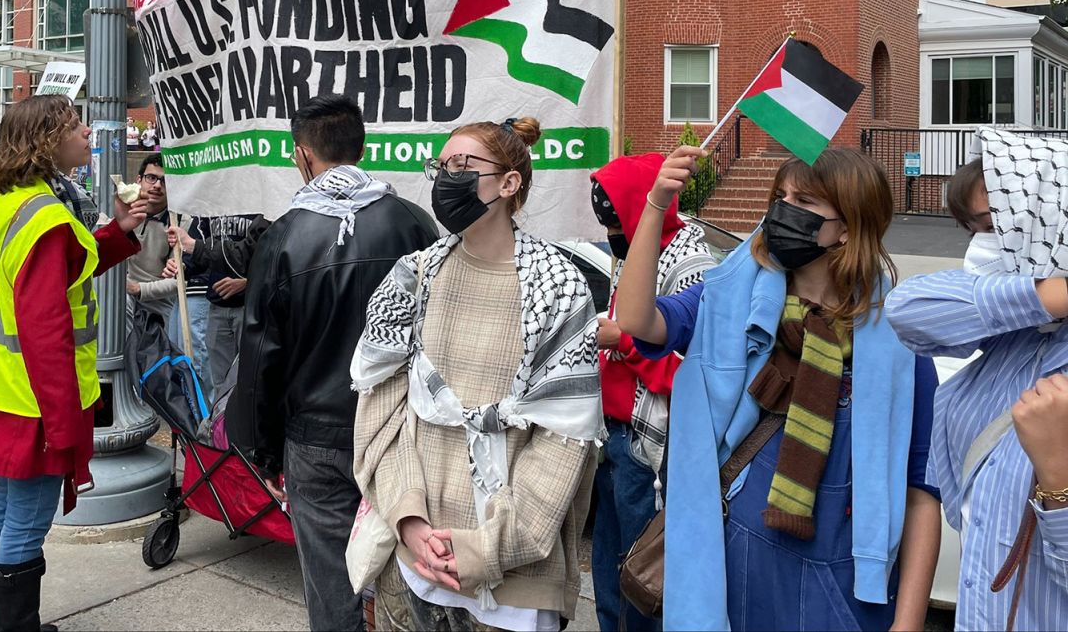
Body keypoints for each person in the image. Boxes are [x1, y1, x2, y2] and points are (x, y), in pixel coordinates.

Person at [613, 145, 941, 631]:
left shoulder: (900, 340)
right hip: (732, 566)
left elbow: (921, 492)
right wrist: (657, 205)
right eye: (780, 197)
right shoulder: (727, 301)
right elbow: (638, 320)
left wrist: (908, 622)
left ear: (847, 227)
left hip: (845, 587)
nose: (783, 211)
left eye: (804, 203)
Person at [352, 117, 603, 632]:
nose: (447, 178)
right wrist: (411, 519)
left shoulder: (559, 287)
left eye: (463, 166)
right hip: (414, 561)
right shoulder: (415, 276)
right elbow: (384, 411)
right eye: (441, 167)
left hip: (514, 583)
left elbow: (564, 439)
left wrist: (484, 550)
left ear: (510, 183)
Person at [228, 95, 437, 631]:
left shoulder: (283, 237)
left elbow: (260, 357)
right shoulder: (414, 223)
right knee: (409, 580)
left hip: (317, 438)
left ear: (302, 155)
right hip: (399, 430)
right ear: (360, 146)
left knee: (331, 589)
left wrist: (258, 443)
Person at [0, 95, 147, 632]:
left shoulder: (12, 199)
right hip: (35, 400)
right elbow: (46, 331)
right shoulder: (44, 214)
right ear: (48, 140)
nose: (88, 132)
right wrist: (65, 425)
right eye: (75, 126)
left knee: (4, 509)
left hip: (4, 390)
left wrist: (115, 230)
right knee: (26, 521)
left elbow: (65, 271)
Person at [885, 131, 1068, 632]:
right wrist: (1053, 293)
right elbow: (908, 309)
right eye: (969, 229)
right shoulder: (1018, 336)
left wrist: (1059, 483)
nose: (979, 245)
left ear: (1049, 221)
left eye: (992, 226)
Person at [588, 153, 717, 632]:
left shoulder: (689, 263)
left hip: (649, 450)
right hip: (613, 439)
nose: (608, 230)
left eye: (613, 217)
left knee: (642, 581)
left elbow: (688, 369)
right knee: (608, 574)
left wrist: (621, 340)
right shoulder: (635, 255)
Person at [167, 211, 271, 398]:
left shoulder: (262, 204)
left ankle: (246, 425)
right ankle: (221, 425)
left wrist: (247, 282)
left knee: (253, 378)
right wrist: (181, 266)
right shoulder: (210, 206)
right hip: (217, 306)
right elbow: (196, 251)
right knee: (220, 382)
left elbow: (266, 255)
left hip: (250, 308)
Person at [124, 153, 177, 328]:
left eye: (164, 181)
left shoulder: (180, 221)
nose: (157, 186)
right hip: (122, 295)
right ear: (139, 180)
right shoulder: (122, 211)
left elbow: (180, 280)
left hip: (159, 302)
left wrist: (139, 289)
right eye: (151, 178)